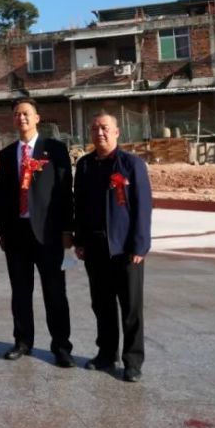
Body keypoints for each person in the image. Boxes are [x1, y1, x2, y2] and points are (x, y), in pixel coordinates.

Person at [0, 98, 75, 368]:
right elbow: (3, 195)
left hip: (49, 234)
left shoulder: (53, 149)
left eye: (26, 113)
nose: (22, 118)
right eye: (17, 114)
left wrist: (67, 228)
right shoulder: (7, 154)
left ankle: (61, 346)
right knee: (20, 292)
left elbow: (65, 191)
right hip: (17, 234)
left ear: (37, 118)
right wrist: (2, 231)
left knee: (54, 292)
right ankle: (22, 341)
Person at [74, 112, 152, 383]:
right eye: (94, 129)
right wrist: (80, 239)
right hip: (95, 249)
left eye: (105, 128)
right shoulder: (84, 166)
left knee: (131, 307)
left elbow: (143, 207)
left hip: (126, 249)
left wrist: (141, 245)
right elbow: (79, 206)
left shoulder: (132, 164)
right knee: (102, 305)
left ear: (117, 132)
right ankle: (106, 353)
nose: (100, 133)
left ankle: (133, 360)